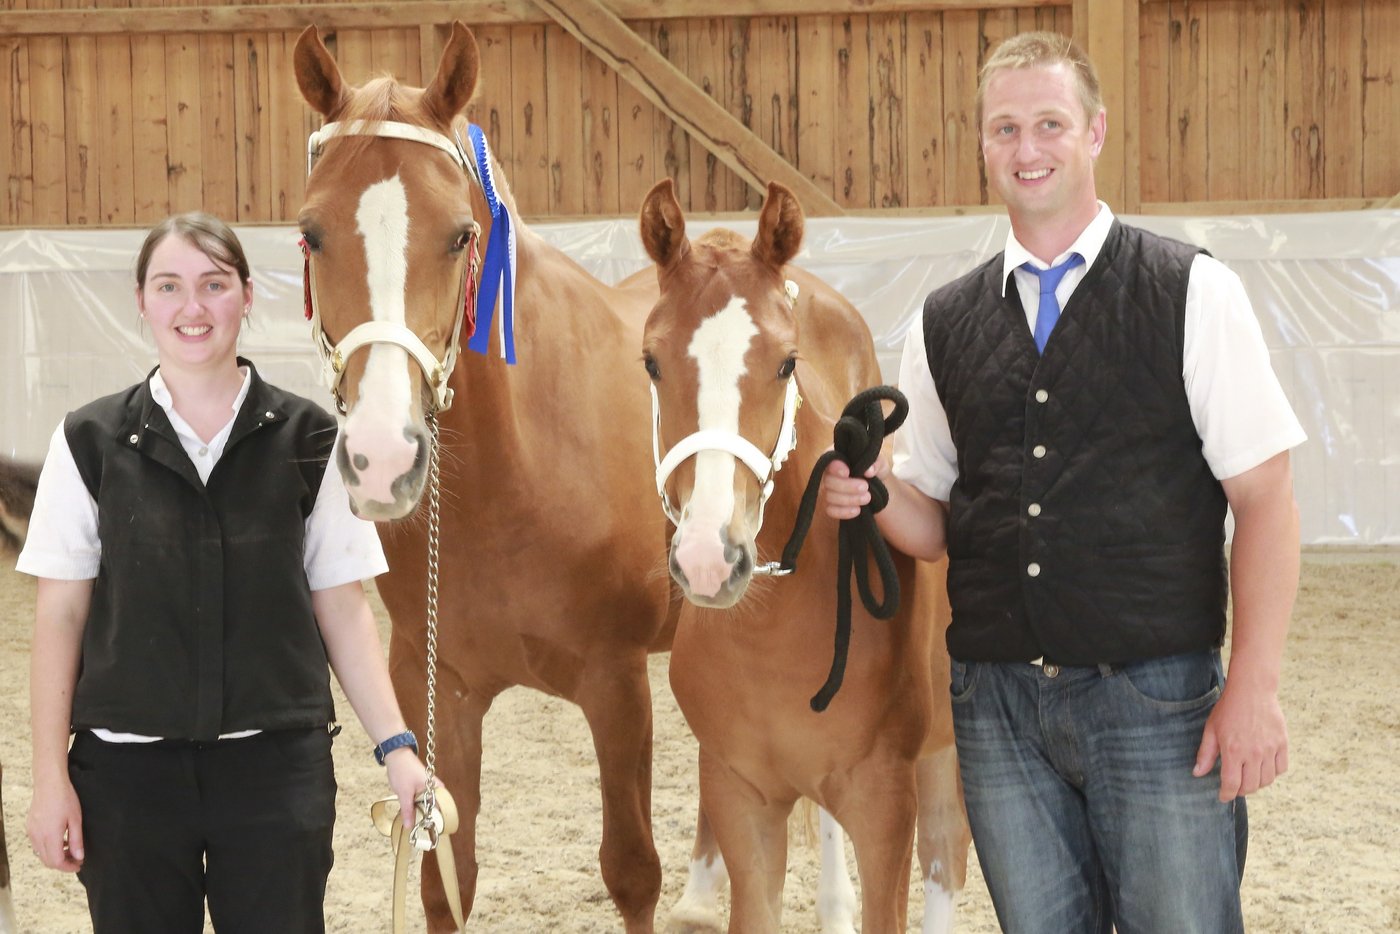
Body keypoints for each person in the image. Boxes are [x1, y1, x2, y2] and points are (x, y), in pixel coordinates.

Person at [821, 32, 1305, 934]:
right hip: (998, 706)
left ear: (1095, 133)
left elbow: (1266, 499)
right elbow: (938, 523)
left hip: (1156, 698)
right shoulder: (942, 322)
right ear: (982, 146)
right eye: (1005, 129)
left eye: (1049, 123)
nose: (1027, 149)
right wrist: (877, 493)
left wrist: (1255, 687)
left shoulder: (1191, 292)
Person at [19, 212, 429, 933]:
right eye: (170, 286)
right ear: (141, 301)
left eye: (214, 284)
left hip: (275, 774)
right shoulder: (87, 441)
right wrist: (50, 779)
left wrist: (398, 749)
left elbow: (343, 607)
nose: (193, 307)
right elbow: (60, 616)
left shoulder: (311, 440)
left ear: (247, 295)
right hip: (127, 780)